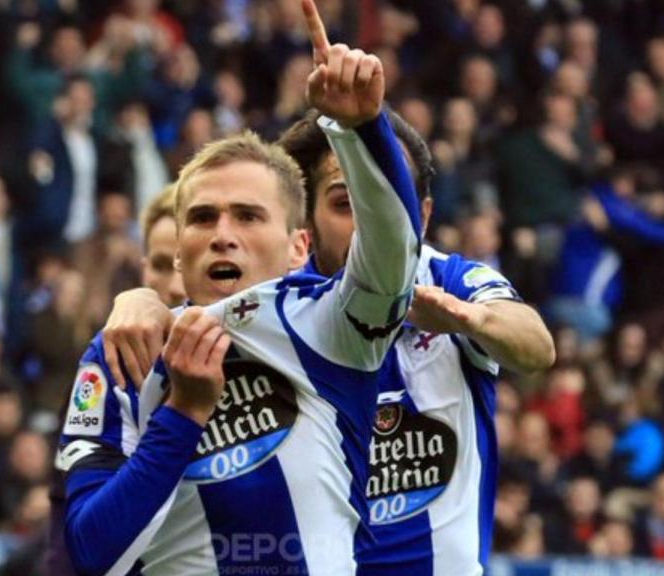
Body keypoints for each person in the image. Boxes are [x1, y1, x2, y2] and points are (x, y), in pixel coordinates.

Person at [101, 50, 554, 576]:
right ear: (308, 220)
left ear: (420, 214)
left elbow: (536, 346)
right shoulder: (284, 309)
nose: (366, 220)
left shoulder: (449, 280)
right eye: (344, 202)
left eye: (382, 199)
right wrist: (142, 299)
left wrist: (467, 320)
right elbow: (199, 295)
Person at [58, 2, 421, 573]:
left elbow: (396, 255)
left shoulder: (330, 325)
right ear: (178, 253)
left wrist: (360, 130)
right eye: (203, 219)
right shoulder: (124, 351)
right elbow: (93, 553)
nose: (223, 235)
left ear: (299, 246)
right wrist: (182, 414)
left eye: (248, 217)